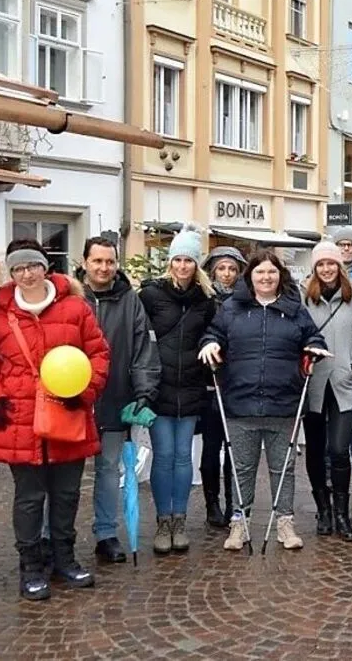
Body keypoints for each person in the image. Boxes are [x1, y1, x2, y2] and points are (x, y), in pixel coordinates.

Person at [0, 239, 109, 601]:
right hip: (21, 420)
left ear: (45, 267)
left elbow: (98, 354)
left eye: (32, 266)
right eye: (18, 269)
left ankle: (64, 558)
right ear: (11, 273)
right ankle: (31, 567)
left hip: (69, 414)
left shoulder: (75, 308)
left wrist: (83, 392)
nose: (26, 274)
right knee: (29, 497)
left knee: (66, 494)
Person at [199, 250, 329, 550]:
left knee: (282, 469)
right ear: (251, 277)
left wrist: (314, 348)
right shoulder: (231, 308)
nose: (266, 277)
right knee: (241, 468)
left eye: (271, 272)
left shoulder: (294, 309)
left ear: (280, 276)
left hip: (283, 403)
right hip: (240, 402)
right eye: (260, 273)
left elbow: (314, 337)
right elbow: (212, 334)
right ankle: (239, 524)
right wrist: (210, 344)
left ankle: (285, 524)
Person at [77, 237, 160, 563]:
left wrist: (144, 391)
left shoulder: (130, 300)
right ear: (85, 262)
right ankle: (54, 538)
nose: (103, 268)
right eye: (97, 261)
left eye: (110, 262)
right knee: (65, 476)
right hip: (74, 401)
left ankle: (106, 533)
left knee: (109, 470)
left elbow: (143, 348)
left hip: (115, 396)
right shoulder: (70, 298)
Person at [138, 223, 217, 554]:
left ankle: (180, 518)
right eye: (178, 260)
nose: (183, 266)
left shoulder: (206, 299)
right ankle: (163, 520)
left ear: (197, 264)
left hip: (192, 386)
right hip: (160, 387)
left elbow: (215, 333)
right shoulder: (150, 294)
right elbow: (139, 338)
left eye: (189, 260)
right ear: (169, 262)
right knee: (163, 456)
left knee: (184, 456)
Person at [301, 241, 352, 541]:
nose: (327, 269)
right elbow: (298, 336)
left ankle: (342, 513)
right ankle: (324, 510)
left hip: (343, 383)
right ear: (315, 268)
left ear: (339, 266)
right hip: (314, 382)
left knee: (339, 450)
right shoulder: (304, 298)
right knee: (315, 451)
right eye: (321, 265)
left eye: (331, 264)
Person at [198, 246, 247, 528]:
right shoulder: (204, 298)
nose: (226, 274)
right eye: (221, 268)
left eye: (231, 269)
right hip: (208, 381)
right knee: (211, 445)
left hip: (236, 381)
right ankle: (211, 503)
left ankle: (233, 503)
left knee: (234, 448)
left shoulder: (244, 300)